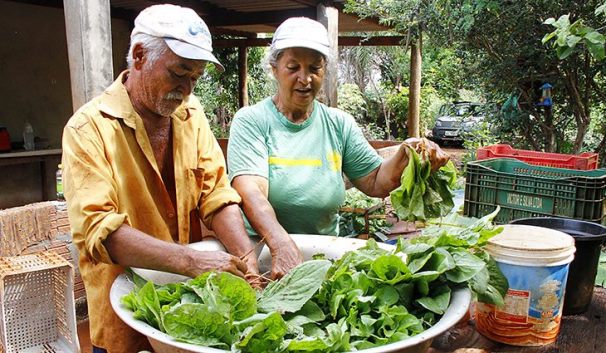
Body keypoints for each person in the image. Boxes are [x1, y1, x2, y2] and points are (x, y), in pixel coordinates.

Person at [62, 4, 259, 353]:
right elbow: (100, 232)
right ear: (139, 56)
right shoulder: (87, 129)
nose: (186, 89)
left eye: (195, 78)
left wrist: (246, 256)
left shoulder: (192, 114)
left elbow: (215, 194)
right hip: (124, 315)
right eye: (178, 73)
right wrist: (189, 260)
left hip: (190, 314)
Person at [227, 17, 449, 280]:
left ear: (325, 70)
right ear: (274, 69)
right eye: (293, 67)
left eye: (314, 68)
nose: (305, 78)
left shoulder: (338, 123)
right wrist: (281, 243)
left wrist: (405, 154)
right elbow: (251, 192)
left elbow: (375, 181)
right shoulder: (252, 120)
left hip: (321, 257)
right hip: (262, 258)